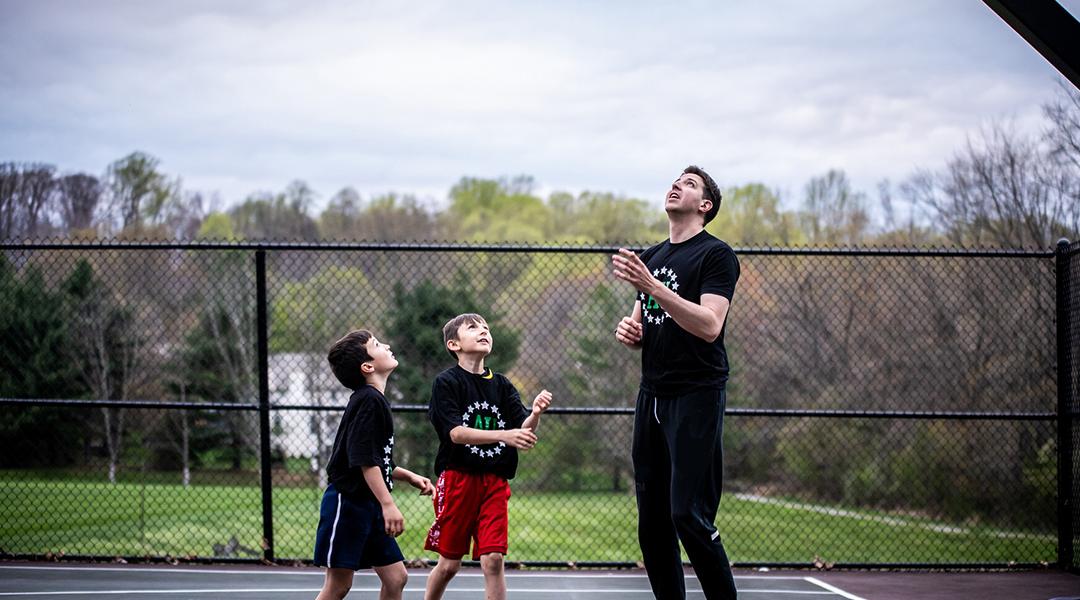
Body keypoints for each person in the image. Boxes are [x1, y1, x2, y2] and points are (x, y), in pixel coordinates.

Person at [611, 165, 740, 600]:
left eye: (687, 184)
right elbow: (642, 325)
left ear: (704, 206)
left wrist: (651, 285)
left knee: (689, 514)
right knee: (652, 523)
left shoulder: (716, 255)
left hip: (697, 394)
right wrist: (631, 333)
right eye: (675, 180)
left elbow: (708, 325)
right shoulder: (653, 255)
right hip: (652, 395)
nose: (675, 185)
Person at [423, 313, 552, 600]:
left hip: (494, 483)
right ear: (454, 344)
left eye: (486, 328)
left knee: (493, 559)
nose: (483, 331)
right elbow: (455, 433)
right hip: (458, 480)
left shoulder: (502, 384)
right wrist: (504, 435)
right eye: (473, 328)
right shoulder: (447, 382)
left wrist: (535, 414)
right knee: (449, 565)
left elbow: (522, 430)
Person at [314, 329, 437, 600]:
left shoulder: (374, 400)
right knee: (338, 586)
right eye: (378, 344)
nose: (388, 345)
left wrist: (407, 476)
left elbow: (376, 458)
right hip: (347, 504)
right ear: (368, 367)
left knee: (396, 578)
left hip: (368, 504)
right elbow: (363, 460)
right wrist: (388, 504)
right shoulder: (368, 400)